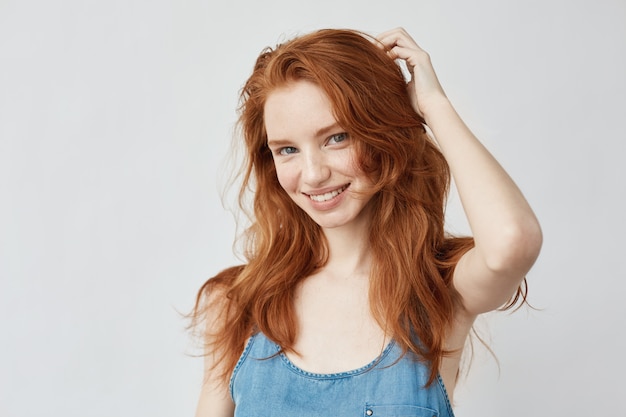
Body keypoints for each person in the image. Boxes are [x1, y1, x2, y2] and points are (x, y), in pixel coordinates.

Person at [189, 27, 542, 417]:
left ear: (383, 135)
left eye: (336, 138)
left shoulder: (441, 288)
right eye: (287, 149)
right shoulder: (236, 303)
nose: (312, 174)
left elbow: (513, 241)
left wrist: (433, 106)